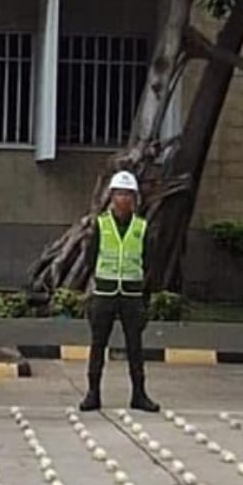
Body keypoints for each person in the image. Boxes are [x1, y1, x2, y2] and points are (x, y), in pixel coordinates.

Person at [81, 170, 159, 413]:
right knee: (97, 344)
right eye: (118, 194)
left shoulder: (142, 227)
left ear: (134, 198)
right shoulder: (101, 224)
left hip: (132, 295)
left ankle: (139, 393)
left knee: (135, 346)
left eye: (127, 194)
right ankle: (93, 393)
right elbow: (90, 257)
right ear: (111, 197)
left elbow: (149, 261)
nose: (122, 199)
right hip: (104, 293)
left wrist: (144, 292)